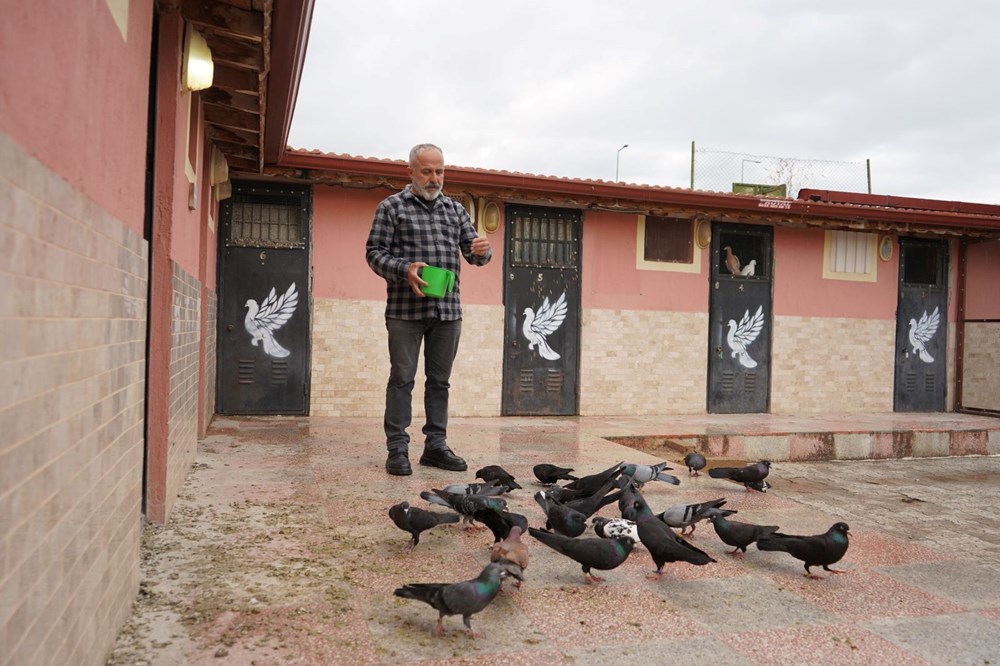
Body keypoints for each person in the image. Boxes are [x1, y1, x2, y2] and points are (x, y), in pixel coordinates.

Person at [365, 143, 492, 476]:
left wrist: (482, 250)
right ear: (411, 171)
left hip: (448, 312)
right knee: (401, 379)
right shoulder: (391, 207)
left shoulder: (455, 211)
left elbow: (475, 254)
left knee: (440, 383)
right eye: (427, 171)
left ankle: (435, 447)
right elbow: (374, 253)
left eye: (440, 171)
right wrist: (404, 269)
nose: (434, 178)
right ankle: (397, 449)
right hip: (405, 311)